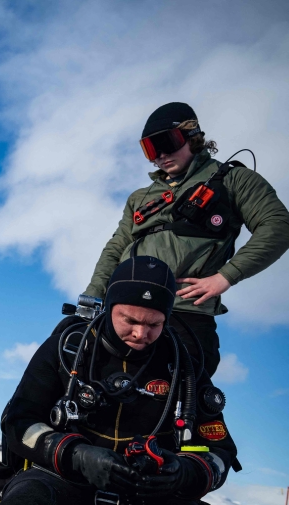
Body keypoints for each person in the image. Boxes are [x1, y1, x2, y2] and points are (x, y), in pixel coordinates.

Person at [0, 256, 267, 505]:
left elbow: (217, 452)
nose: (141, 333)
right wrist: (76, 454)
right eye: (129, 320)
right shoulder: (68, 348)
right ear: (110, 307)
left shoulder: (183, 365)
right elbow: (18, 422)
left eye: (154, 324)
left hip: (145, 503)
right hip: (63, 484)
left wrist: (183, 472)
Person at [83, 102, 289, 377]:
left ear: (193, 136)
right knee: (86, 381)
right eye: (151, 149)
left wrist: (226, 276)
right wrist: (93, 295)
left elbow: (278, 225)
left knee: (178, 398)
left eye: (167, 142)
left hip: (182, 313)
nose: (162, 155)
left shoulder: (234, 180)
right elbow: (117, 247)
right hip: (123, 313)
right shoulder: (140, 197)